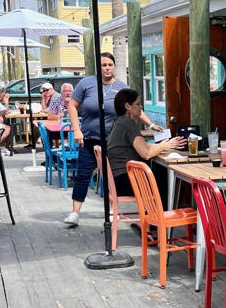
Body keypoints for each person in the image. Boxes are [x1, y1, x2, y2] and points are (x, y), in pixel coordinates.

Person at [62, 53, 161, 226]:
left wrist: (151, 125)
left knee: (111, 175)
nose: (107, 68)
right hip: (88, 139)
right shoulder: (86, 84)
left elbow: (135, 108)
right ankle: (75, 212)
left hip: (112, 140)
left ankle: (111, 209)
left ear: (114, 66)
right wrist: (76, 130)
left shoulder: (122, 88)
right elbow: (72, 105)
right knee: (83, 174)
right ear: (98, 67)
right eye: (103, 65)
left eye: (109, 65)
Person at [105, 88, 185, 197]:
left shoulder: (120, 122)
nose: (141, 107)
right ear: (128, 107)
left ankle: (155, 211)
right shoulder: (128, 123)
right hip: (125, 180)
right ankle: (162, 212)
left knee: (159, 170)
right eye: (138, 104)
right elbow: (146, 154)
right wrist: (164, 145)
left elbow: (142, 147)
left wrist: (161, 146)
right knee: (164, 174)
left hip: (118, 179)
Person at [0, 85, 14, 154]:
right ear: (2, 94)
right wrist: (6, 101)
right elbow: (6, 112)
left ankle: (3, 146)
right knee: (9, 129)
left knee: (1, 119)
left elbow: (2, 113)